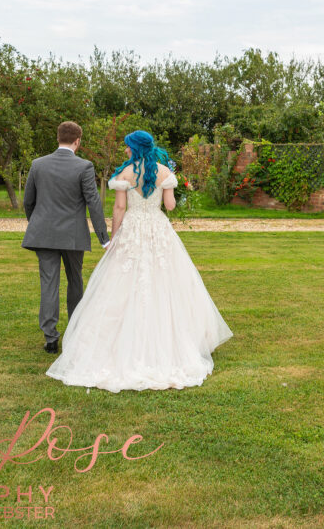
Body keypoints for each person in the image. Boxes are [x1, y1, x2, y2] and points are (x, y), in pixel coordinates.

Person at [46, 130, 233, 392]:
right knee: (166, 279)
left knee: (121, 282)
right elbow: (169, 207)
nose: (124, 150)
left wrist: (113, 238)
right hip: (158, 229)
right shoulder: (164, 172)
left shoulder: (124, 174)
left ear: (134, 147)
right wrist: (168, 193)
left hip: (132, 229)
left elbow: (120, 209)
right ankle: (174, 344)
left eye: (126, 146)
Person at [21, 121, 110, 354]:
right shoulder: (84, 166)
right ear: (78, 141)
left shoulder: (38, 164)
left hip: (44, 234)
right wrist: (104, 237)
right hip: (72, 235)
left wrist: (38, 224)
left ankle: (51, 339)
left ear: (58, 137)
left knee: (48, 283)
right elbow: (94, 203)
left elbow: (28, 202)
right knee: (75, 280)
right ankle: (75, 331)